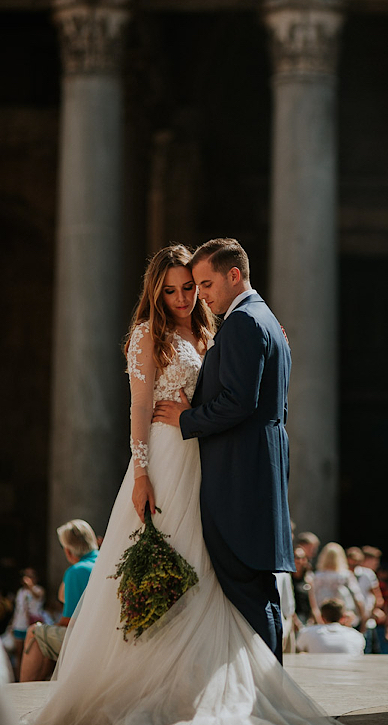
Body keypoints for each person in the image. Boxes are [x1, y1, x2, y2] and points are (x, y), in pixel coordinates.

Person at [27, 244, 330, 723]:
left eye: (191, 286)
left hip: (208, 459)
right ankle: (150, 677)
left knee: (205, 569)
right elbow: (139, 409)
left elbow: (239, 386)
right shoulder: (149, 334)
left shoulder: (216, 328)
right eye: (171, 290)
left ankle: (197, 678)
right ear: (156, 292)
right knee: (161, 562)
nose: (184, 297)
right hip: (167, 458)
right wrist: (142, 472)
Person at [154, 237, 296, 662]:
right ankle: (269, 689)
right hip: (258, 467)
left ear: (234, 275)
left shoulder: (243, 323)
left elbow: (238, 401)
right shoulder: (264, 319)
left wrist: (185, 419)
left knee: (245, 589)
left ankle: (264, 694)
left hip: (239, 474)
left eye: (206, 283)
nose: (201, 294)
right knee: (257, 589)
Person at [19, 521, 98, 683]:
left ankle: (23, 696)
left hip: (89, 640)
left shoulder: (77, 571)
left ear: (68, 551)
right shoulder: (104, 560)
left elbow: (68, 621)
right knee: (46, 635)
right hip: (103, 636)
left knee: (35, 632)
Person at [309, 543, 366, 627]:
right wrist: (363, 617)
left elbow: (312, 598)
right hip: (343, 617)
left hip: (322, 617)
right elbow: (357, 596)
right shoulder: (345, 575)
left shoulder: (316, 576)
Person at [295, 599, 365, 655]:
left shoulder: (308, 632)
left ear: (321, 617)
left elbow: (298, 649)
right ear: (343, 617)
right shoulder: (356, 636)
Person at [9, 568, 45, 679]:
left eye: (31, 576)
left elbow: (38, 596)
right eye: (25, 576)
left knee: (31, 653)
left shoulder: (39, 590)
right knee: (18, 653)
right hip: (19, 625)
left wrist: (30, 586)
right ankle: (18, 678)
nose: (27, 578)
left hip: (32, 626)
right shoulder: (20, 592)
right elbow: (18, 610)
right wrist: (12, 624)